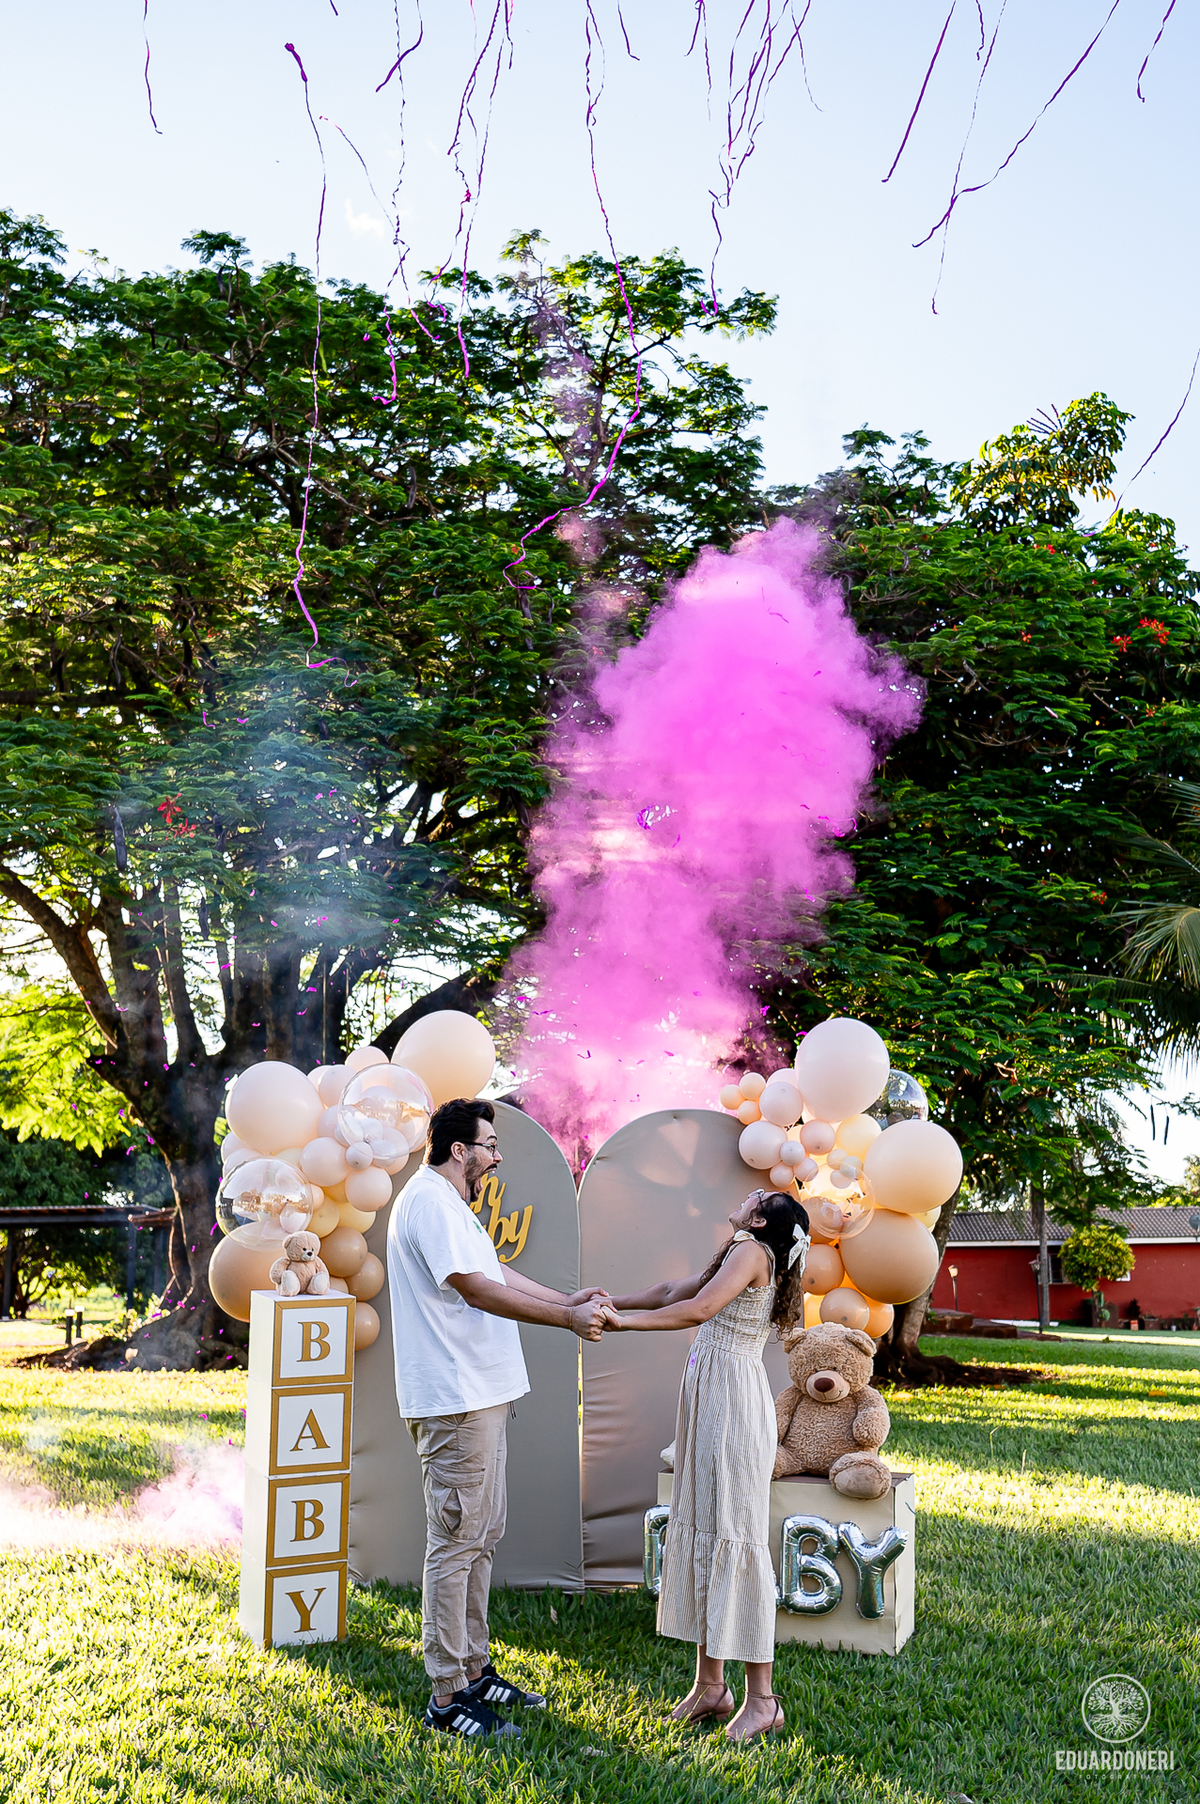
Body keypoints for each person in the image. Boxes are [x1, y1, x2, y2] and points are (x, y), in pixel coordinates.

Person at [387, 1095, 614, 1739]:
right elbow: (477, 1288)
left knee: (480, 1537)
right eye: (489, 1145)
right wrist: (566, 1320)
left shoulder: (449, 1205)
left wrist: (564, 1297)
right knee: (457, 1542)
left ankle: (474, 1670)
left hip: (481, 1395)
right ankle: (445, 1695)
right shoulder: (430, 1202)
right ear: (459, 1150)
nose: (495, 1156)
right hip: (457, 1401)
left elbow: (498, 1270)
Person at [605, 1187, 809, 1742]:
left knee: (736, 1538)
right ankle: (710, 1687)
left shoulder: (750, 1250)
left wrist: (622, 1327)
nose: (746, 1195)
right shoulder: (742, 1248)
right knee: (705, 1530)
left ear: (760, 1217)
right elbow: (678, 1289)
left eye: (757, 1196)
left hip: (734, 1408)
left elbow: (697, 1310)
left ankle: (763, 1700)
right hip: (712, 1398)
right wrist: (613, 1301)